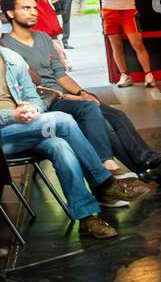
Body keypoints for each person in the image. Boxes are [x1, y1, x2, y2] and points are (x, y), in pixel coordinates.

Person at [1, 0, 161, 186]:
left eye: (34, 7)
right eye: (26, 8)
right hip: (45, 103)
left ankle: (148, 164)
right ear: (10, 12)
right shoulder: (6, 48)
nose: (33, 12)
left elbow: (60, 74)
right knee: (91, 112)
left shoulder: (43, 38)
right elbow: (31, 88)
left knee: (114, 115)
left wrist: (82, 92)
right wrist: (73, 98)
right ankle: (109, 163)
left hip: (66, 97)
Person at [1, 46, 133, 239]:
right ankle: (104, 182)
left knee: (59, 145)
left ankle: (86, 218)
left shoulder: (11, 57)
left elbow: (33, 96)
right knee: (62, 120)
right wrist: (11, 114)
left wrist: (33, 109)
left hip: (22, 129)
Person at [92, 0, 154, 89]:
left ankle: (148, 74)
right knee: (116, 46)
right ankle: (125, 75)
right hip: (109, 13)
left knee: (137, 43)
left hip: (128, 11)